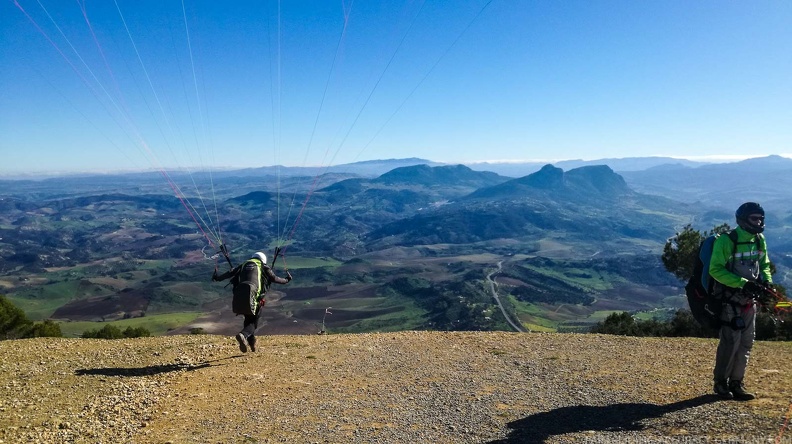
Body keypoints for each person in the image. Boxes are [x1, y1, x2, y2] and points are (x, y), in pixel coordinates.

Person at [708, 202, 772, 400]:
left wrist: (767, 281)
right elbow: (715, 269)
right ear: (743, 220)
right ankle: (721, 383)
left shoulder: (759, 240)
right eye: (755, 218)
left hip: (749, 300)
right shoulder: (727, 241)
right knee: (730, 342)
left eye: (761, 218)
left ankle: (737, 383)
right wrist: (743, 283)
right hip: (730, 300)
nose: (759, 222)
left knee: (746, 342)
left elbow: (764, 264)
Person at [212, 251, 292, 353]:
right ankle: (243, 335)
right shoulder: (263, 266)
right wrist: (287, 280)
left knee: (248, 319)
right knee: (253, 323)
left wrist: (216, 277)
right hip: (254, 297)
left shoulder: (243, 265)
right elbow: (274, 278)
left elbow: (229, 274)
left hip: (240, 296)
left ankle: (251, 344)